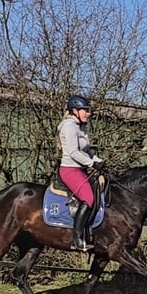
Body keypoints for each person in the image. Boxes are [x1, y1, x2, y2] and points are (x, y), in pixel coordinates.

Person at [57, 95, 105, 251]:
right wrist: (92, 163)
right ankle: (77, 239)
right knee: (89, 198)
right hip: (70, 169)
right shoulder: (70, 127)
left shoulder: (79, 127)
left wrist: (98, 160)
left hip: (81, 168)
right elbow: (73, 153)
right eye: (86, 111)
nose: (89, 114)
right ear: (75, 111)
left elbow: (87, 151)